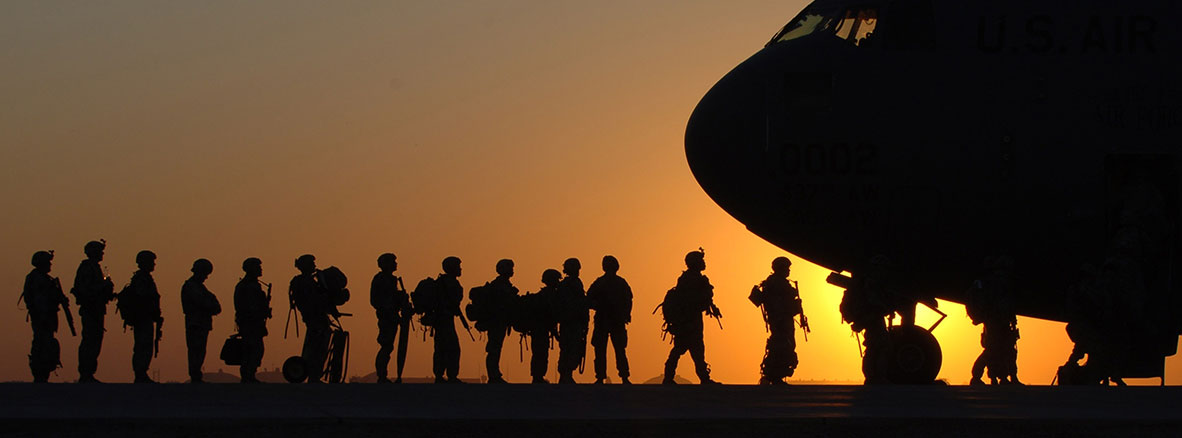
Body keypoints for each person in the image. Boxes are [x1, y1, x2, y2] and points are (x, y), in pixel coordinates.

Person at [662, 250, 720, 385]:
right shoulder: (690, 279)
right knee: (687, 349)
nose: (704, 262)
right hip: (688, 320)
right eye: (701, 260)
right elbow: (692, 300)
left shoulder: (692, 278)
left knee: (692, 350)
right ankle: (671, 377)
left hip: (690, 320)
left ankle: (700, 378)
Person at [966, 255, 1020, 385]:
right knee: (998, 350)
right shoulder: (998, 282)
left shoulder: (990, 282)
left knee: (1001, 349)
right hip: (997, 320)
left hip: (995, 320)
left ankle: (1001, 377)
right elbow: (1004, 302)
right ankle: (981, 377)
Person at [750, 256, 803, 385]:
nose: (788, 271)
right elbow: (780, 303)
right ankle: (774, 375)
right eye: (787, 268)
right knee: (781, 345)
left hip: (782, 319)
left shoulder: (777, 282)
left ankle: (775, 375)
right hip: (780, 320)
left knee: (783, 345)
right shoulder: (776, 283)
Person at [22, 250, 73, 383]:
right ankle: (40, 373)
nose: (50, 265)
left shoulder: (44, 278)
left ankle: (43, 372)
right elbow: (39, 299)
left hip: (47, 315)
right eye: (48, 262)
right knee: (41, 343)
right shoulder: (37, 279)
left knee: (46, 343)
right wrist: (44, 313)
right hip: (42, 316)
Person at [72, 240, 114, 383]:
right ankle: (85, 373)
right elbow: (86, 290)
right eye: (100, 251)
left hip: (97, 309)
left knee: (95, 341)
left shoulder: (94, 267)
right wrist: (103, 286)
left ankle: (89, 372)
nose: (102, 254)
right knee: (90, 340)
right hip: (91, 309)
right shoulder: (87, 268)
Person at [587, 255, 632, 384]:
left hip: (611, 320)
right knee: (611, 350)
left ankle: (609, 376)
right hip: (608, 320)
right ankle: (618, 376)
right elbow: (589, 300)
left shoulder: (602, 282)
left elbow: (628, 300)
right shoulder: (618, 283)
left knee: (612, 350)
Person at [290, 254, 335, 383]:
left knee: (317, 347)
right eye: (311, 263)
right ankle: (313, 376)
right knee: (316, 348)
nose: (314, 266)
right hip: (315, 319)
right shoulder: (305, 282)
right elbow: (313, 301)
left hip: (316, 319)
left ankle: (314, 375)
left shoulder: (308, 281)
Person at [370, 253, 410, 383]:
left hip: (392, 316)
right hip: (386, 317)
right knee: (386, 345)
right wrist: (389, 307)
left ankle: (383, 375)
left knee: (388, 346)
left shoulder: (391, 279)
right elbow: (376, 300)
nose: (395, 264)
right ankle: (381, 375)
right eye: (393, 262)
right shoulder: (380, 279)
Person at [181, 259, 221, 383]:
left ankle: (196, 375)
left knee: (200, 350)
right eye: (205, 273)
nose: (206, 277)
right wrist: (210, 304)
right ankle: (195, 375)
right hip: (196, 324)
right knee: (196, 350)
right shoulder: (191, 286)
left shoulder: (199, 287)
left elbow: (216, 306)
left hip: (201, 323)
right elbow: (205, 303)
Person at [126, 250, 163, 383]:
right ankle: (140, 373)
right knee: (143, 345)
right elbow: (143, 297)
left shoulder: (145, 277)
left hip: (146, 316)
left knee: (146, 345)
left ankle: (141, 373)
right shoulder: (141, 278)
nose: (154, 264)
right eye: (151, 261)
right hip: (142, 316)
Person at [482, 259, 519, 384]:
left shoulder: (504, 285)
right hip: (496, 322)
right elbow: (501, 304)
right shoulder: (499, 286)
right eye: (510, 268)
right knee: (494, 348)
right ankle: (493, 375)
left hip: (501, 321)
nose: (512, 270)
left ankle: (495, 374)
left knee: (496, 347)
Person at [235, 257, 271, 383]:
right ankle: (247, 375)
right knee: (252, 348)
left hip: (254, 322)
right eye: (257, 267)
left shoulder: (253, 285)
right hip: (250, 322)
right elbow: (248, 306)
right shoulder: (246, 286)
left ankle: (249, 374)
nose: (260, 269)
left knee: (256, 349)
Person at [432, 256, 467, 383]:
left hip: (445, 318)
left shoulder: (446, 282)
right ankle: (449, 375)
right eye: (458, 266)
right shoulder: (447, 283)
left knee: (442, 347)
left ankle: (441, 375)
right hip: (443, 318)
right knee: (451, 348)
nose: (460, 269)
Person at [555, 258, 588, 384]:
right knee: (569, 348)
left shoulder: (572, 283)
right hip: (571, 323)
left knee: (570, 349)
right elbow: (575, 304)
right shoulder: (569, 285)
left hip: (573, 323)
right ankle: (565, 374)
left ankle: (566, 374)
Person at [528, 269, 561, 383]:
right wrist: (556, 334)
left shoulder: (545, 295)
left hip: (539, 329)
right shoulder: (548, 296)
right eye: (556, 279)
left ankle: (537, 376)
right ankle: (538, 377)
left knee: (539, 353)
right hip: (540, 329)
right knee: (540, 353)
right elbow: (550, 315)